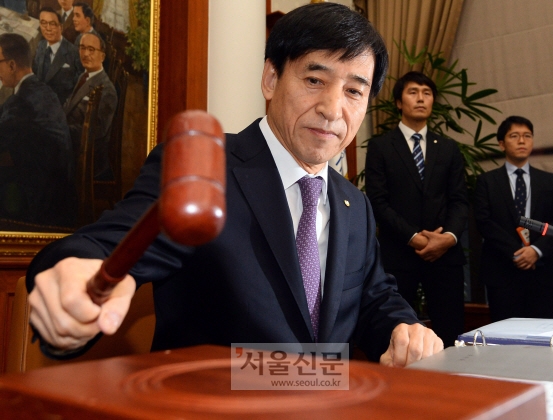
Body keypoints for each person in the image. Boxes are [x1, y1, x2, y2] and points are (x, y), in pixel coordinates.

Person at [26, 2, 442, 366]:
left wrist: (403, 329)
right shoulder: (205, 168)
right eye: (315, 80)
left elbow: (373, 298)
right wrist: (74, 277)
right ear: (271, 79)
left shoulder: (354, 203)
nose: (333, 109)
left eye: (354, 90)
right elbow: (105, 248)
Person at [365, 71, 469, 348]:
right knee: (396, 333)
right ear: (399, 102)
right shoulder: (380, 147)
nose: (421, 98)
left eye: (427, 93)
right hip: (399, 255)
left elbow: (459, 200)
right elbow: (377, 201)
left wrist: (448, 238)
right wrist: (414, 237)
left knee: (450, 333)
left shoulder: (448, 148)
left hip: (445, 257)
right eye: (413, 92)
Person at [474, 116, 553, 322]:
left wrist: (535, 251)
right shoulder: (486, 181)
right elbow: (484, 222)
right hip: (502, 271)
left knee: (543, 338)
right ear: (501, 144)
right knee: (504, 337)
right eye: (514, 136)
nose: (522, 141)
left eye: (527, 136)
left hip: (543, 272)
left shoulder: (549, 181)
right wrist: (517, 254)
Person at [0, 33, 75, 226]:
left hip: (40, 201)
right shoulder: (42, 90)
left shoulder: (21, 102)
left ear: (11, 65)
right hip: (57, 189)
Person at [64, 32, 117, 180]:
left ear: (103, 56)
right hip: (73, 142)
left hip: (88, 157)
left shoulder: (107, 90)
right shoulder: (85, 75)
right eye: (82, 48)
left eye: (91, 49)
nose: (85, 54)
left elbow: (97, 131)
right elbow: (69, 105)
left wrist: (62, 130)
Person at [33, 7, 83, 105]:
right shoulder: (41, 45)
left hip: (59, 107)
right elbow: (34, 75)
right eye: (43, 23)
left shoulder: (74, 53)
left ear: (61, 27)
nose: (47, 28)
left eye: (52, 24)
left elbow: (79, 88)